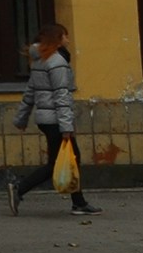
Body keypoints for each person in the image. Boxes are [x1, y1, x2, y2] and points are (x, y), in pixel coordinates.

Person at [8, 21, 98, 217]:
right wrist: (66, 127)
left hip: (45, 119)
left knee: (71, 158)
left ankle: (79, 203)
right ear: (57, 39)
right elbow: (61, 94)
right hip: (56, 120)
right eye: (65, 36)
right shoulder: (56, 62)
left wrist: (22, 119)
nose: (68, 40)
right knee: (57, 163)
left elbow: (30, 92)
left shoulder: (40, 60)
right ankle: (19, 189)